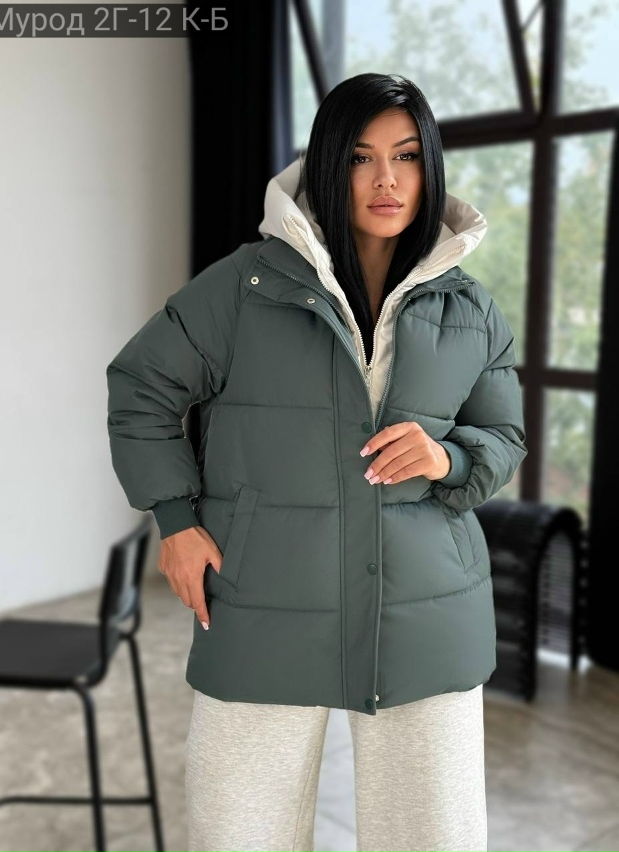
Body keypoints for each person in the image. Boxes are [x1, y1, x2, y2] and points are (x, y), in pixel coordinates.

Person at [106, 72, 527, 852]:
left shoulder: (472, 309)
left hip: (426, 612)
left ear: (430, 168)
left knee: (433, 840)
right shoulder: (244, 287)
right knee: (239, 836)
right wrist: (175, 521)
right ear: (331, 164)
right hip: (262, 600)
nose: (387, 179)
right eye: (362, 157)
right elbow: (141, 387)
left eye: (406, 156)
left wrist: (446, 458)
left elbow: (504, 439)